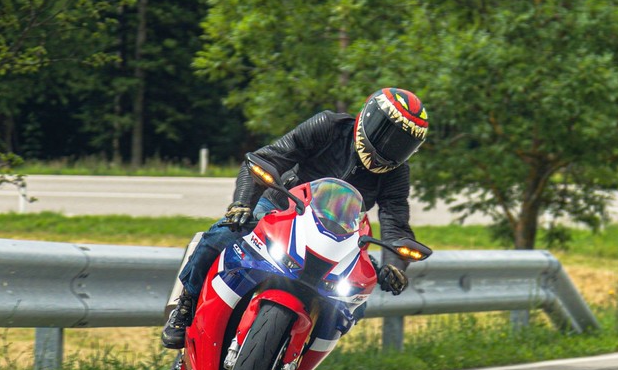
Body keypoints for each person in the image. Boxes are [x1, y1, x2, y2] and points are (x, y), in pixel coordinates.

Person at [161, 87, 429, 349]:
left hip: (341, 234)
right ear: (368, 117)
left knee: (356, 298)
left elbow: (396, 223)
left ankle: (296, 353)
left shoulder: (397, 173)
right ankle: (185, 305)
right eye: (386, 133)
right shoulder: (329, 126)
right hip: (281, 209)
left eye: (402, 143)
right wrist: (241, 205)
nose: (390, 147)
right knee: (224, 234)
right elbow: (268, 158)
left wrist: (394, 266)